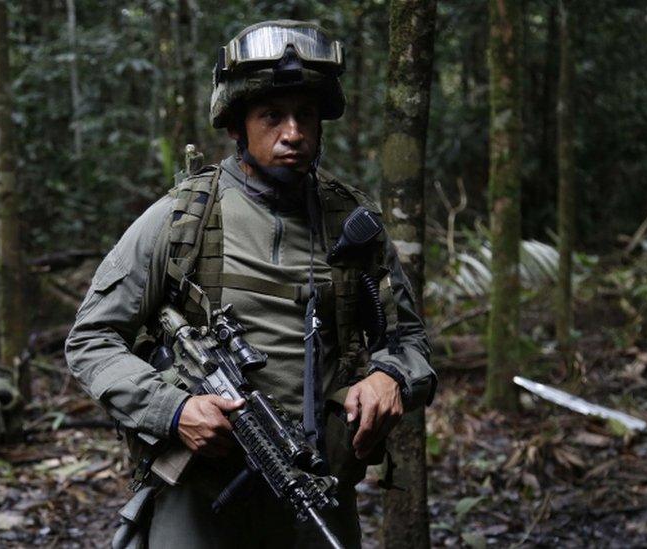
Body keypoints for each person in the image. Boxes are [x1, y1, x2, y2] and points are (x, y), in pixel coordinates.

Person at [65, 19, 435, 548]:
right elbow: (91, 341)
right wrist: (173, 411)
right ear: (237, 125)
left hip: (316, 499)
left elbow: (410, 343)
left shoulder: (354, 226)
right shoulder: (181, 220)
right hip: (200, 499)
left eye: (305, 115)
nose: (293, 133)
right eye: (272, 116)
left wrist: (390, 378)